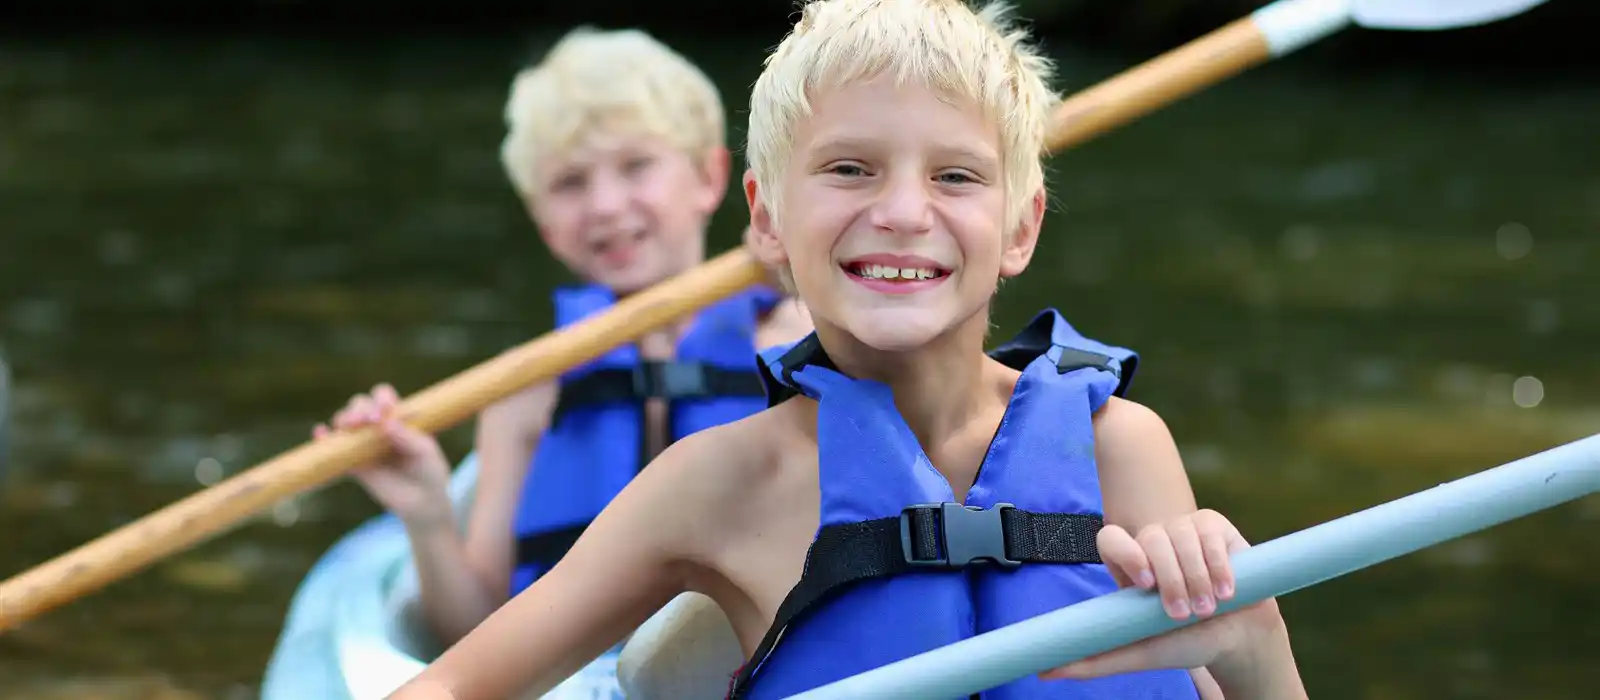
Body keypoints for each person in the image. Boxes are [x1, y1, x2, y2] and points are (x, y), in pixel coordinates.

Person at [375, 0, 1310, 697]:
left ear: (1020, 229)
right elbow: (453, 685)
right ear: (768, 219)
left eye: (954, 175)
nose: (902, 213)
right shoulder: (718, 485)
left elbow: (1234, 672)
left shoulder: (1122, 446)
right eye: (849, 169)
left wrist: (1255, 637)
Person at [315, 25, 813, 650]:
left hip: (762, 661)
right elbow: (473, 635)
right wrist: (428, 512)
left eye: (636, 167)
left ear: (710, 179)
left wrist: (812, 269)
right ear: (545, 224)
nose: (605, 205)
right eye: (570, 184)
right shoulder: (525, 392)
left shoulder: (805, 331)